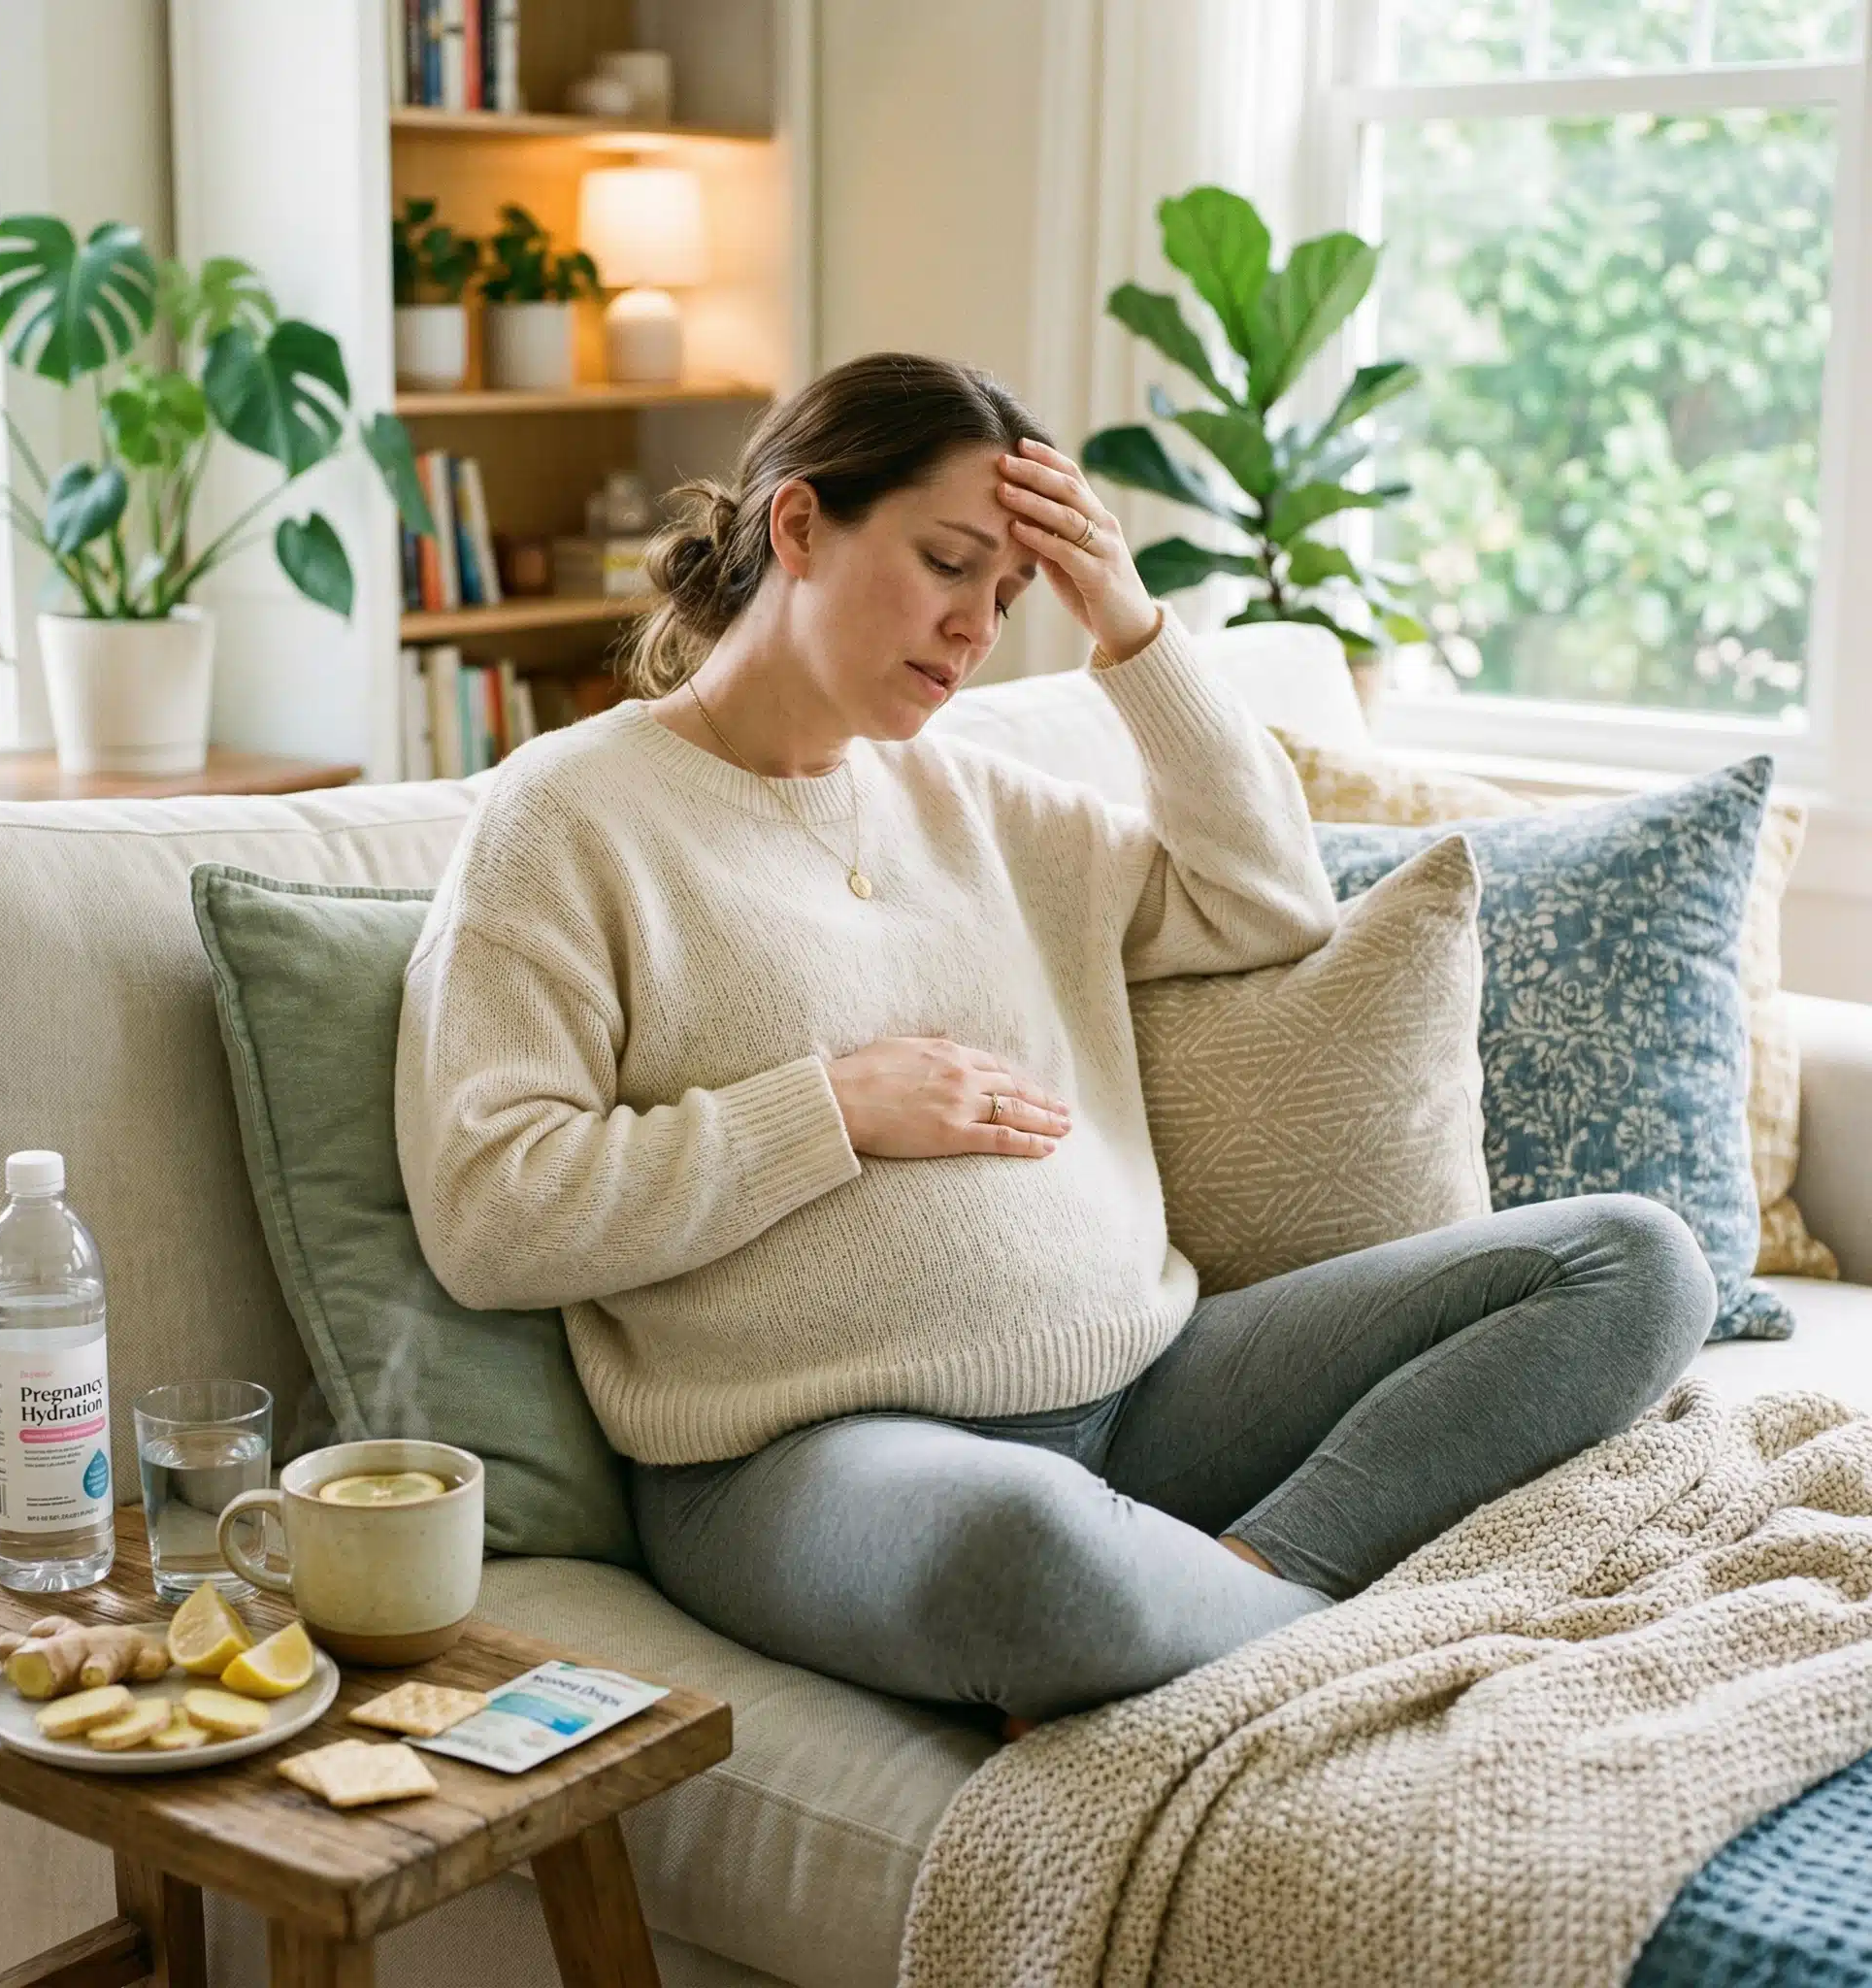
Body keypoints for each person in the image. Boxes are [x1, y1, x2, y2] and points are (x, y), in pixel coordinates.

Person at [396, 351, 1718, 1727]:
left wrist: (1131, 627)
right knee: (1027, 1554)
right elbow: (491, 1211)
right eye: (947, 564)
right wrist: (830, 1108)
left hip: (1146, 1392)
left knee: (1631, 1262)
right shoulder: (567, 816)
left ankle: (1248, 1590)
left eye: (1011, 594)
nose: (976, 629)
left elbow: (1271, 900)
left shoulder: (978, 799)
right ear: (798, 525)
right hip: (806, 1461)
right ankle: (1242, 1624)